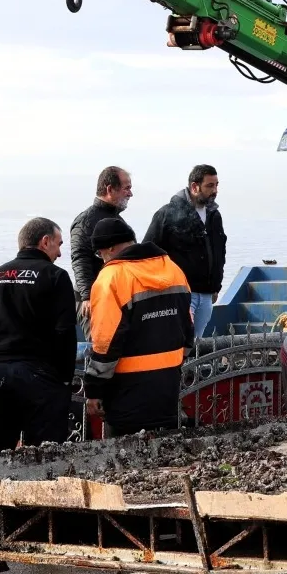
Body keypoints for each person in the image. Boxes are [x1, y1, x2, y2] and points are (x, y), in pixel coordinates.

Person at [0, 217, 78, 453]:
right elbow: (65, 333)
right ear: (45, 241)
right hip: (41, 376)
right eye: (58, 244)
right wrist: (64, 379)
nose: (59, 253)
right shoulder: (55, 276)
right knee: (44, 454)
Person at [83, 218, 193, 435]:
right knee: (165, 448)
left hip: (126, 391)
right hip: (168, 386)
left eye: (99, 253)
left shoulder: (111, 277)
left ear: (110, 248)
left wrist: (94, 389)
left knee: (124, 453)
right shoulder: (173, 270)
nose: (101, 259)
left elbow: (106, 342)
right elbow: (188, 328)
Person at [143, 164, 226, 338]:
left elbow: (220, 251)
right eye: (210, 186)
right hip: (180, 293)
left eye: (216, 185)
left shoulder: (214, 216)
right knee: (179, 341)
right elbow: (147, 254)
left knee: (197, 344)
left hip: (207, 294)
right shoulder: (167, 214)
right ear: (195, 187)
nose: (215, 191)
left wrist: (216, 286)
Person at [70, 166, 133, 329]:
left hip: (117, 296)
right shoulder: (85, 222)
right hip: (95, 298)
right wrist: (87, 296)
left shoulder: (118, 221)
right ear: (110, 189)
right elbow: (80, 258)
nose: (130, 194)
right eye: (127, 188)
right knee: (101, 341)